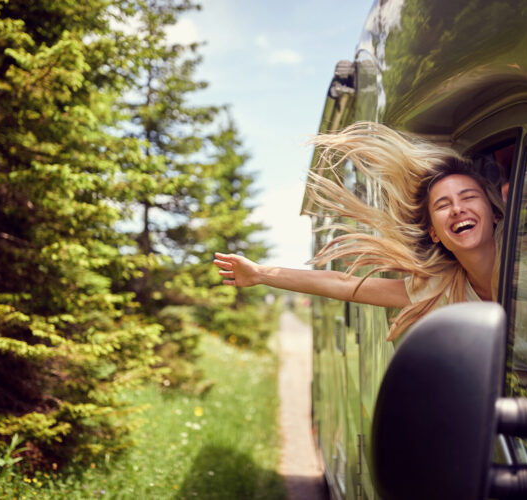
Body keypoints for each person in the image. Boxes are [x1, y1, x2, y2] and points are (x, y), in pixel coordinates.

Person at [213, 122, 505, 341]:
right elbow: (342, 283)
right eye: (443, 204)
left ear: (493, 213)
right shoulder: (441, 288)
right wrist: (261, 274)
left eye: (468, 197)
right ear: (435, 233)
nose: (457, 209)